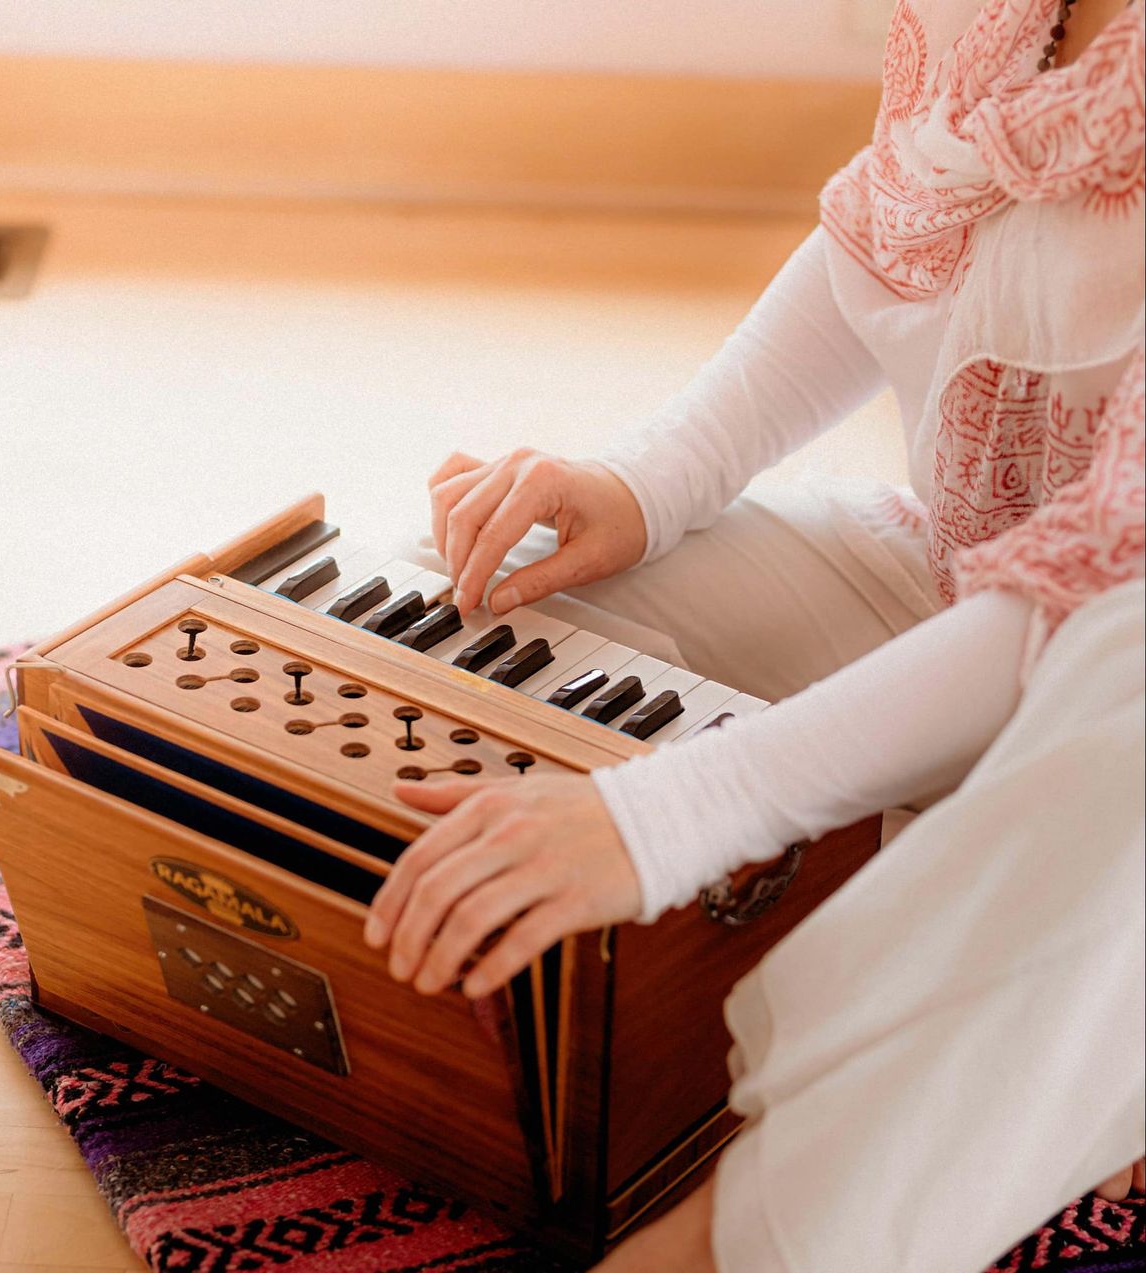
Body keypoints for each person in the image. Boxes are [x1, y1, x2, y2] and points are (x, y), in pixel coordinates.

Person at [363, 0, 1146, 1267]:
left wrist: (663, 815)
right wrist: (647, 479)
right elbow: (891, 247)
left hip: (1120, 670)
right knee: (472, 596)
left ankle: (752, 1233)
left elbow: (1115, 601)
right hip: (973, 589)